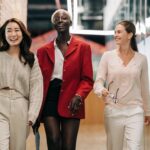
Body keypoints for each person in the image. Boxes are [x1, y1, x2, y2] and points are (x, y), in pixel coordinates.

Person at [37, 9, 93, 150]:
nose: (60, 21)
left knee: (68, 146)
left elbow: (87, 79)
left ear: (71, 22)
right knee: (54, 140)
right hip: (50, 97)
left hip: (72, 98)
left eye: (64, 18)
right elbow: (38, 81)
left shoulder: (83, 47)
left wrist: (79, 95)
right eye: (57, 19)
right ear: (53, 24)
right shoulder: (42, 51)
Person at [94, 20, 150, 150]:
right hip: (113, 111)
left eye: (119, 32)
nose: (115, 35)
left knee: (135, 147)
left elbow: (145, 87)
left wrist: (147, 111)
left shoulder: (142, 59)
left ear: (129, 35)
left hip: (135, 111)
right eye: (115, 32)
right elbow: (98, 82)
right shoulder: (107, 57)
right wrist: (101, 89)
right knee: (115, 147)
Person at [0, 18, 43, 150]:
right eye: (9, 31)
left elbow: (37, 88)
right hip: (0, 103)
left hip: (21, 106)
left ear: (23, 33)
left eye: (17, 30)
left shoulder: (31, 59)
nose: (13, 34)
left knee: (18, 147)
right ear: (4, 34)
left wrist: (32, 115)